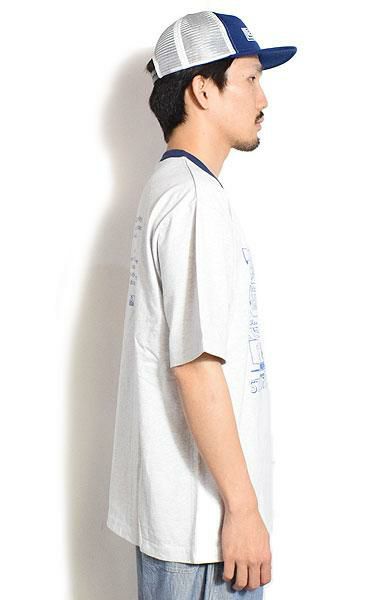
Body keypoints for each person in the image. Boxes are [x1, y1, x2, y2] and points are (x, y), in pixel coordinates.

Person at [106, 10, 296, 598]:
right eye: (250, 79)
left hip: (189, 525)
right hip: (204, 533)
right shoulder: (193, 202)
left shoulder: (174, 189)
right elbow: (196, 367)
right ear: (202, 90)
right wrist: (243, 508)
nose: (264, 98)